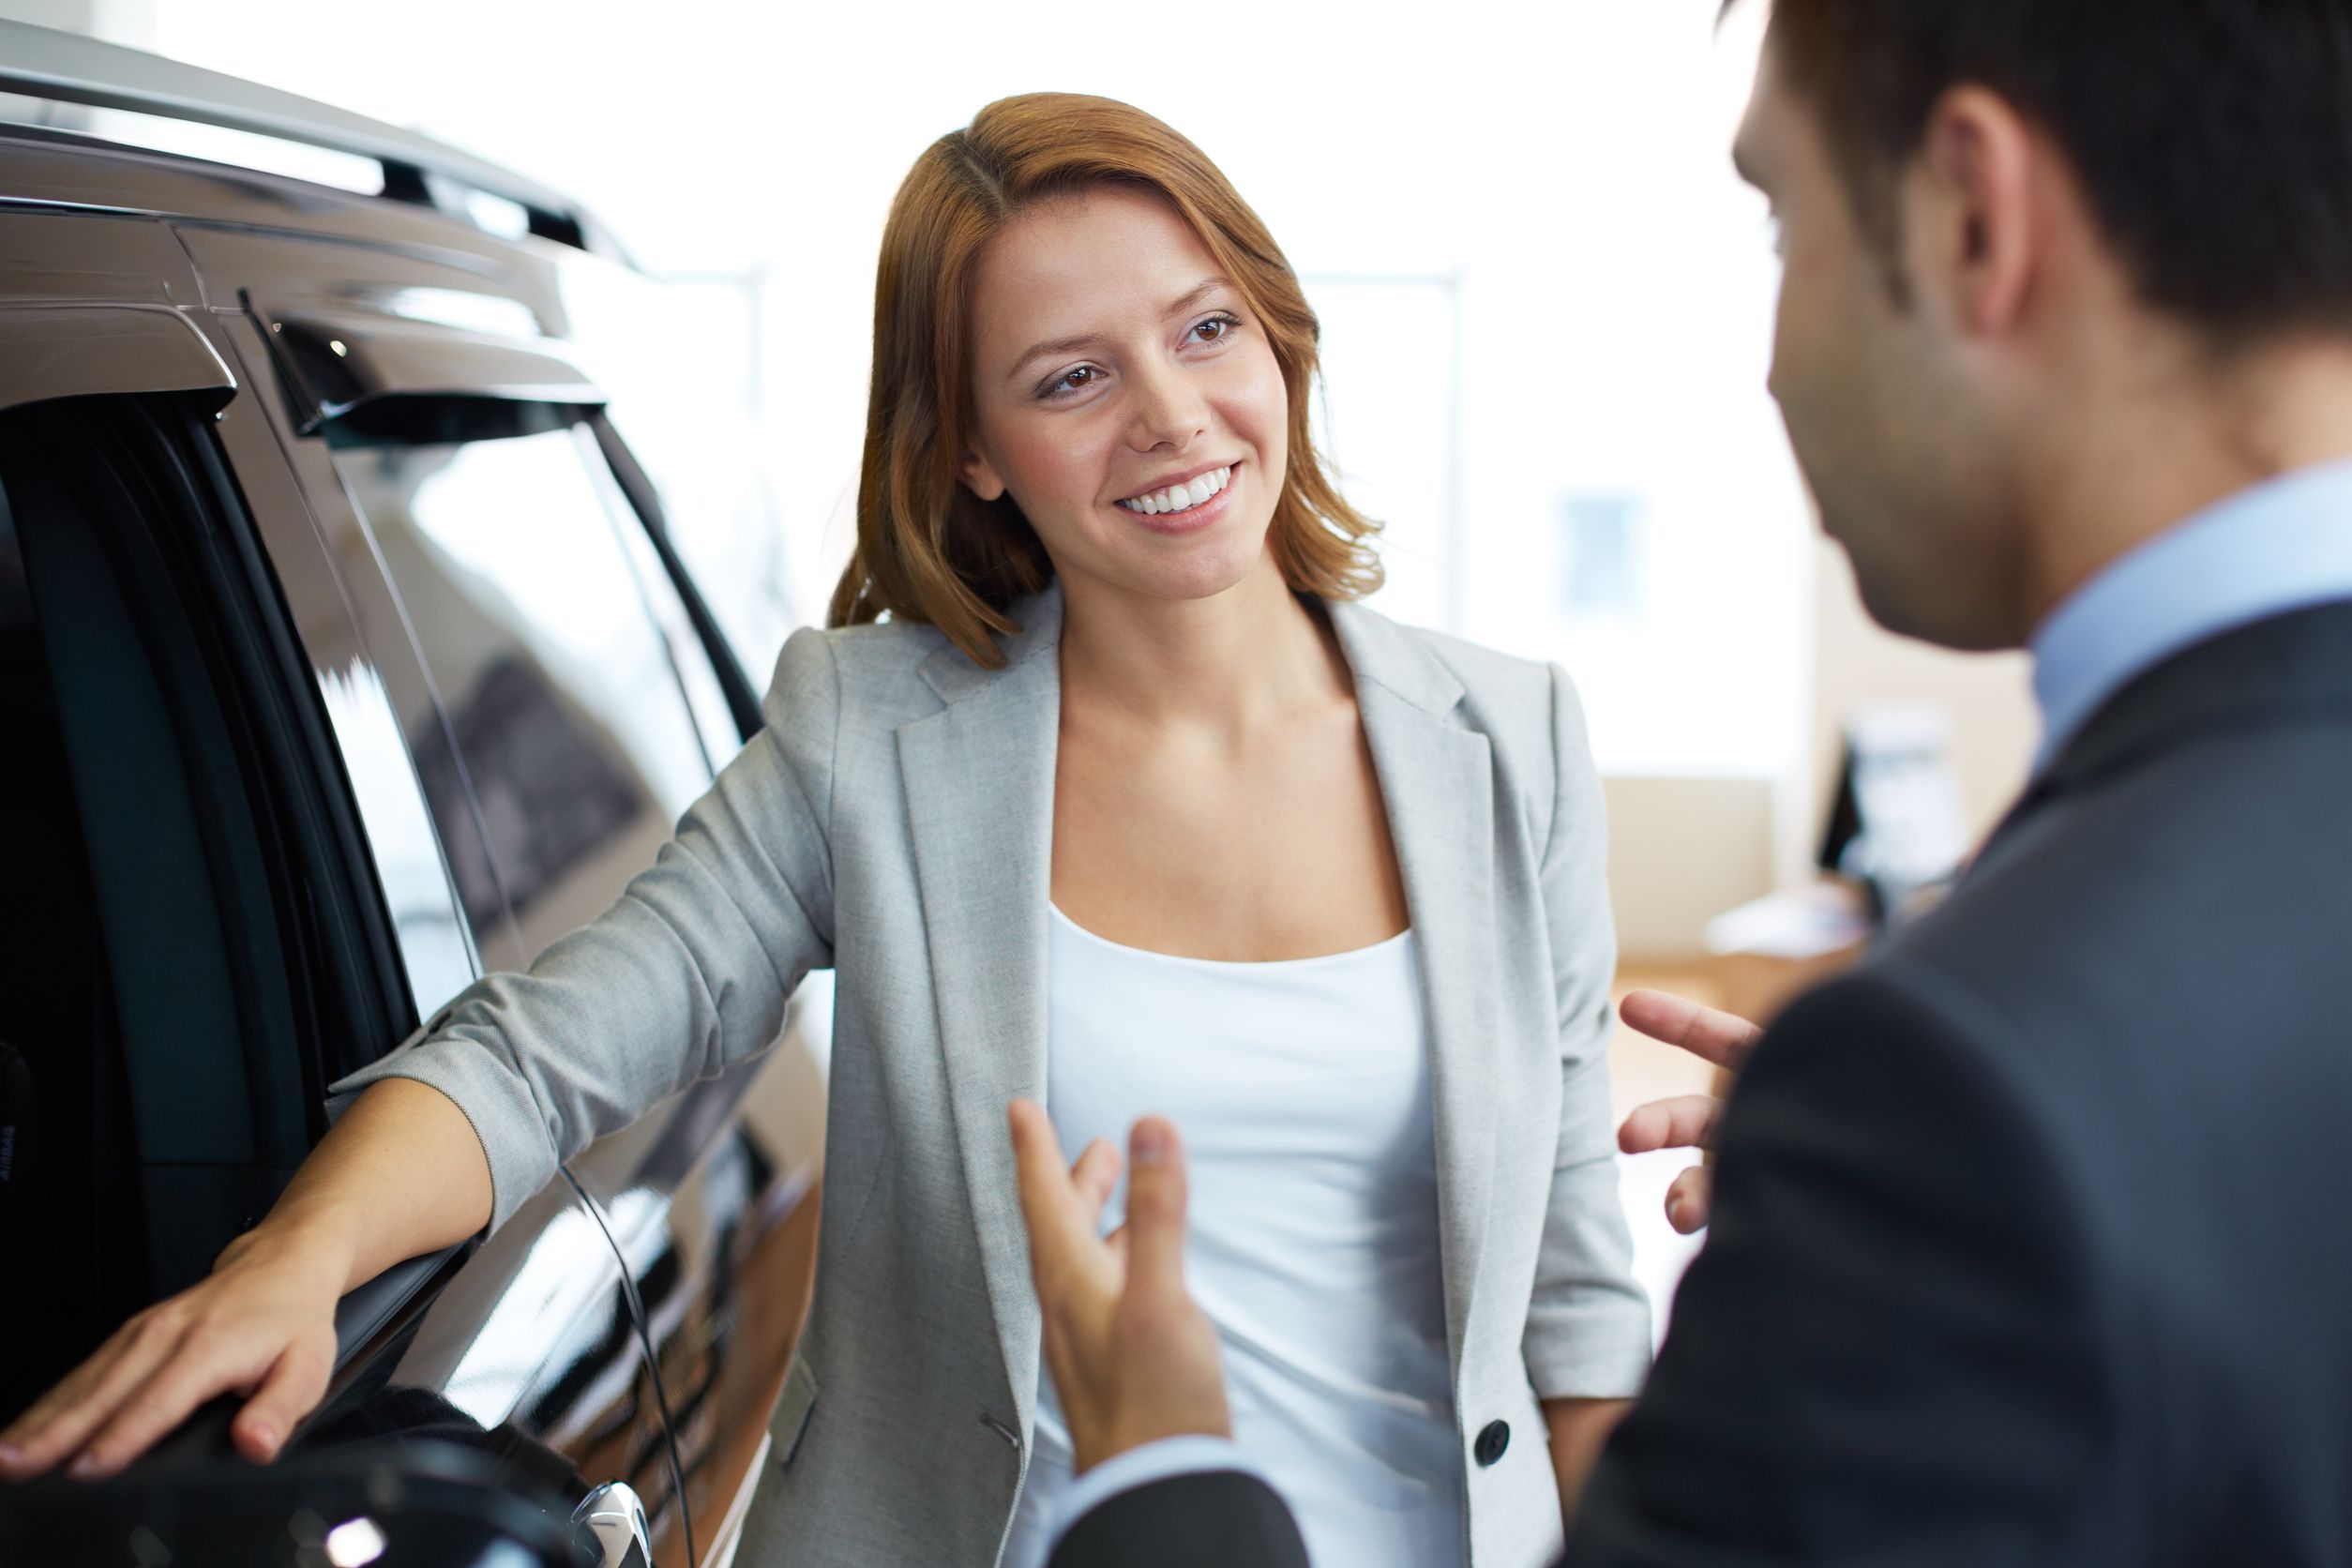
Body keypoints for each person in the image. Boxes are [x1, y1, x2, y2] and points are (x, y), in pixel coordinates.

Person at [0, 94, 1651, 1568]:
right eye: (1071, 377)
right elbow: (546, 1052)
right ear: (975, 455)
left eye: (1207, 327)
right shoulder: (875, 735)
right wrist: (293, 1260)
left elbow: (1573, 1301)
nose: (1171, 413)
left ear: (1279, 333)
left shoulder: (1512, 742)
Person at [1010, 2, 2352, 1564]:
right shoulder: (1998, 1086)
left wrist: (1166, 1474)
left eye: (1784, 225)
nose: (1773, 367)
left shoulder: (1953, 1089)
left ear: (1977, 213)